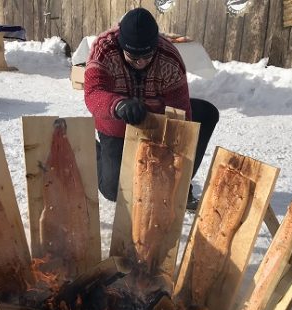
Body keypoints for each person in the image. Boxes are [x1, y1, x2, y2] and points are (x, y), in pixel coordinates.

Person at [84, 7, 219, 210]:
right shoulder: (103, 50)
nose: (140, 63)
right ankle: (93, 149)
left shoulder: (169, 58)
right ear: (121, 47)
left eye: (146, 57)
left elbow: (181, 113)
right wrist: (118, 104)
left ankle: (185, 183)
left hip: (155, 121)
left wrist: (177, 166)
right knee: (114, 190)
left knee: (171, 176)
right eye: (133, 57)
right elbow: (93, 93)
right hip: (116, 121)